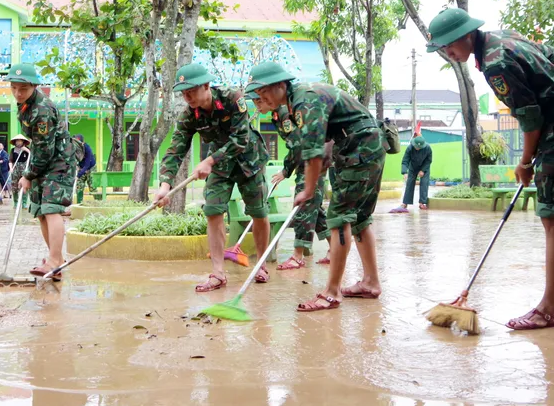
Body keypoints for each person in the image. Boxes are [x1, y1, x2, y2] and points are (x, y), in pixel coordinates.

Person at [427, 7, 554, 330]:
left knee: (552, 215)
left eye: (449, 46)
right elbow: (549, 54)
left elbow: (530, 119)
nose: (448, 53)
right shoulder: (502, 38)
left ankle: (547, 308)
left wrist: (525, 161)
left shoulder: (495, 64)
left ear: (465, 35)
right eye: (443, 50)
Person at [246, 61, 384, 312]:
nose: (260, 96)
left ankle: (331, 293)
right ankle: (371, 282)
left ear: (279, 84)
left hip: (359, 146)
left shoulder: (303, 100)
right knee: (361, 217)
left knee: (339, 217)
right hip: (362, 145)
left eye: (263, 90)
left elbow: (312, 150)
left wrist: (308, 190)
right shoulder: (295, 100)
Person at [154, 63, 270, 292]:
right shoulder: (190, 115)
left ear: (206, 86)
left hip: (249, 161)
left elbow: (241, 139)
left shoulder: (232, 98)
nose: (187, 97)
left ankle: (262, 264)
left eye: (192, 91)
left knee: (258, 212)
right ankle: (218, 273)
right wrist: (165, 185)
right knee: (213, 211)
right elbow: (176, 148)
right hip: (220, 166)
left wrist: (209, 161)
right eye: (183, 93)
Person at [7, 62, 80, 281]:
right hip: (43, 160)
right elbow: (38, 147)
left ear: (33, 87)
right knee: (40, 211)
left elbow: (46, 149)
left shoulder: (42, 110)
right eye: (14, 88)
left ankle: (55, 260)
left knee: (51, 209)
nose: (18, 93)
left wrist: (28, 175)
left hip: (59, 162)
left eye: (24, 89)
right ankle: (54, 261)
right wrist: (31, 172)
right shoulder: (25, 106)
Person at [264, 100, 331, 270]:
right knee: (315, 210)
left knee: (303, 207)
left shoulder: (285, 113)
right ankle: (335, 249)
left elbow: (297, 146)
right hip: (308, 162)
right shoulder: (276, 114)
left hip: (311, 163)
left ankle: (297, 256)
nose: (257, 104)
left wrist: (286, 170)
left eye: (259, 100)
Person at [391, 135, 433, 212]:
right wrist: (404, 172)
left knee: (424, 183)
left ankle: (422, 203)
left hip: (424, 168)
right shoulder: (410, 148)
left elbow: (428, 161)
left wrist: (423, 170)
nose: (417, 148)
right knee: (409, 183)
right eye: (416, 146)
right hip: (413, 167)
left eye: (419, 147)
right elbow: (405, 161)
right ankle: (405, 203)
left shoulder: (428, 148)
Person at [9, 134, 32, 208]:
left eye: (20, 141)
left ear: (23, 142)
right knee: (14, 186)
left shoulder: (27, 149)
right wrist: (11, 168)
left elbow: (33, 157)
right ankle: (15, 202)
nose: (18, 142)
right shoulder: (13, 150)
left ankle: (24, 203)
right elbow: (10, 160)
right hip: (15, 169)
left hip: (24, 169)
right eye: (17, 141)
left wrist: (27, 151)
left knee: (24, 185)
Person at [74, 134, 97, 204]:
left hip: (91, 168)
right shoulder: (74, 148)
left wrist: (78, 176)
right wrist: (77, 166)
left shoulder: (87, 148)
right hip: (81, 168)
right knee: (79, 187)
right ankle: (79, 203)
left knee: (93, 187)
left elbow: (87, 165)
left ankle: (99, 203)